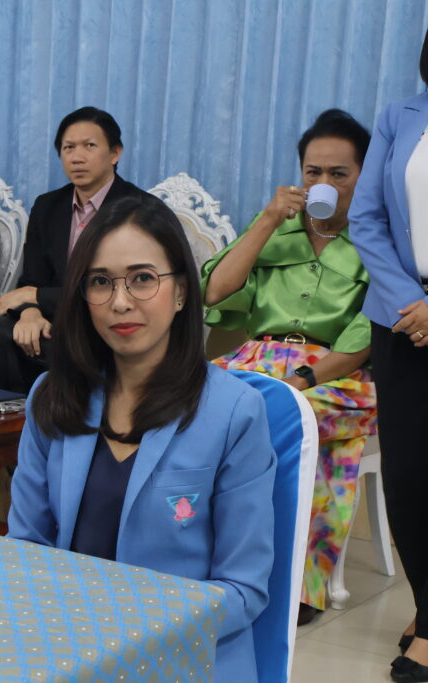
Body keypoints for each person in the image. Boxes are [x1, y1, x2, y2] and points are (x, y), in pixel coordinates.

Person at [8, 194, 275, 683]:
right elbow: (25, 549)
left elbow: (243, 589)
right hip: (66, 647)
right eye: (100, 282)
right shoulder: (53, 396)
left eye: (143, 278)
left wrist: (130, 644)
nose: (120, 301)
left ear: (181, 292)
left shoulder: (234, 411)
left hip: (182, 657)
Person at [202, 109, 375, 625]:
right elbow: (215, 291)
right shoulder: (276, 232)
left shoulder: (376, 241)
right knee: (191, 403)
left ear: (363, 176)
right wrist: (267, 220)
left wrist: (302, 380)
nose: (324, 183)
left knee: (297, 419)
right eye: (313, 172)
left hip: (335, 373)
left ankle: (296, 580)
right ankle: (208, 554)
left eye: (339, 174)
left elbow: (367, 333)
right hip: (257, 359)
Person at [0, 106, 146, 393]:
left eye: (89, 146)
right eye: (68, 148)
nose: (77, 157)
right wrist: (30, 312)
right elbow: (32, 279)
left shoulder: (138, 210)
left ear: (114, 153)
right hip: (48, 329)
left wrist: (35, 296)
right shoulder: (48, 207)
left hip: (107, 333)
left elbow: (120, 290)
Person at [349, 28, 428, 682]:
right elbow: (366, 218)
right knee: (408, 477)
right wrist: (410, 301)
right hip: (402, 321)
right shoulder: (399, 116)